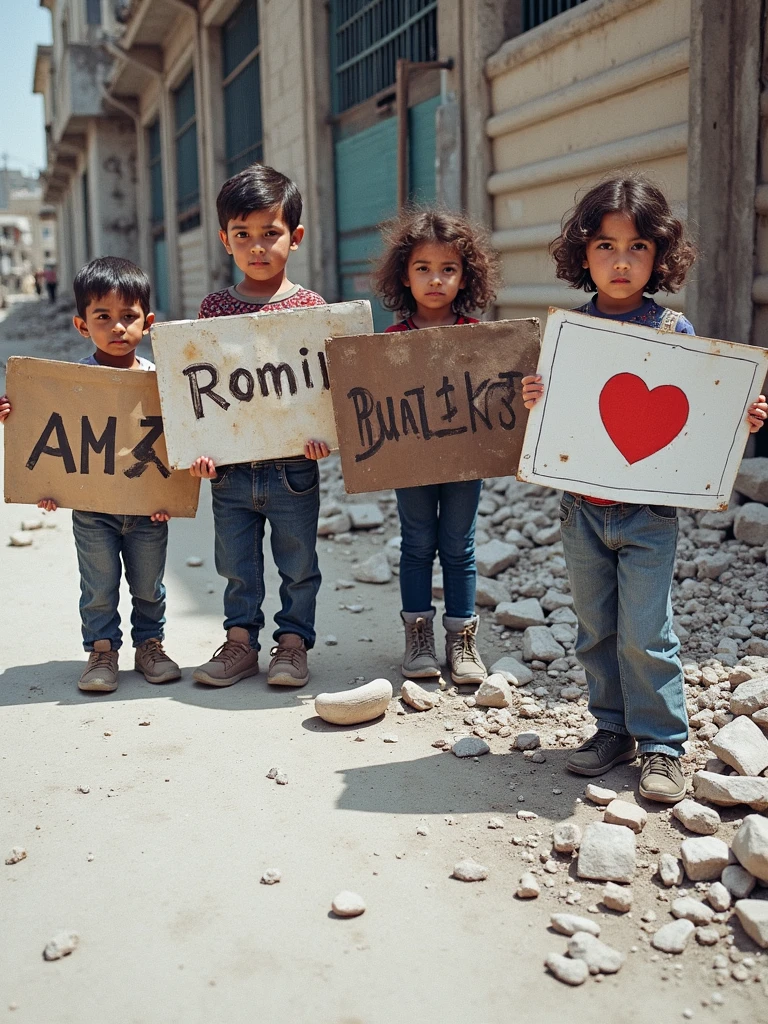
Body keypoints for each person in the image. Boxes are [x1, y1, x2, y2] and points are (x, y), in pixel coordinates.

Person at [522, 173, 768, 802]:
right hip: (582, 510)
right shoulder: (569, 334)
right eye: (605, 246)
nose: (621, 261)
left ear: (659, 255)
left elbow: (701, 410)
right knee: (594, 626)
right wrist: (535, 399)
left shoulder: (672, 333)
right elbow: (564, 422)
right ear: (584, 254)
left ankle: (662, 744)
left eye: (636, 247)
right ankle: (610, 730)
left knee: (646, 629)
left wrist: (738, 416)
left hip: (650, 515)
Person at [0, 257, 181, 693]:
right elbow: (51, 437)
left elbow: (180, 440)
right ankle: (102, 651)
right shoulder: (72, 384)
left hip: (148, 510)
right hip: (92, 511)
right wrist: (16, 415)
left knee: (149, 587)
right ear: (83, 326)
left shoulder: (163, 384)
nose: (117, 327)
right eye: (104, 317)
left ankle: (150, 646)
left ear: (148, 323)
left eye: (128, 317)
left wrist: (174, 493)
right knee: (98, 588)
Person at [189, 163, 330, 689]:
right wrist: (202, 448)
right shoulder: (215, 308)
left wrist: (323, 434)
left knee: (298, 564)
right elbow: (200, 388)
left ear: (293, 238)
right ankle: (241, 644)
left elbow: (323, 386)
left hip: (295, 466)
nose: (257, 247)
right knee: (237, 564)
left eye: (270, 234)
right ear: (226, 240)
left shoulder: (312, 308)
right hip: (231, 470)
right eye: (243, 235)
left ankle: (292, 646)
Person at [372, 208, 501, 685]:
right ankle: (419, 634)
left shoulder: (478, 337)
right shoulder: (390, 341)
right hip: (412, 463)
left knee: (460, 546)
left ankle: (462, 639)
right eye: (423, 268)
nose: (435, 279)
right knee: (417, 543)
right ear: (404, 276)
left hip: (466, 460)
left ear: (465, 275)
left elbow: (496, 398)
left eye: (448, 269)